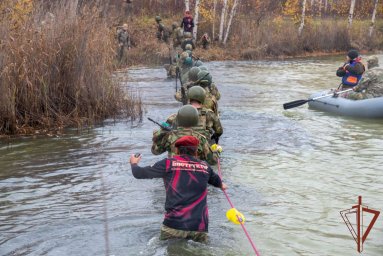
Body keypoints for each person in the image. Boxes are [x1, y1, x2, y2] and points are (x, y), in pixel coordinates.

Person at [130, 135, 227, 242]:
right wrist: (221, 184)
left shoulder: (168, 164)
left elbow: (138, 173)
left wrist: (134, 163)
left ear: (176, 150)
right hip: (200, 228)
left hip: (174, 226)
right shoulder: (205, 167)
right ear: (196, 151)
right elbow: (220, 184)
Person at [151, 105, 218, 165]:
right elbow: (212, 161)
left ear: (178, 119)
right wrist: (216, 152)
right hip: (193, 175)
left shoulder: (169, 136)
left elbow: (155, 152)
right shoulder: (201, 138)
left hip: (173, 174)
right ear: (195, 120)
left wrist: (158, 136)